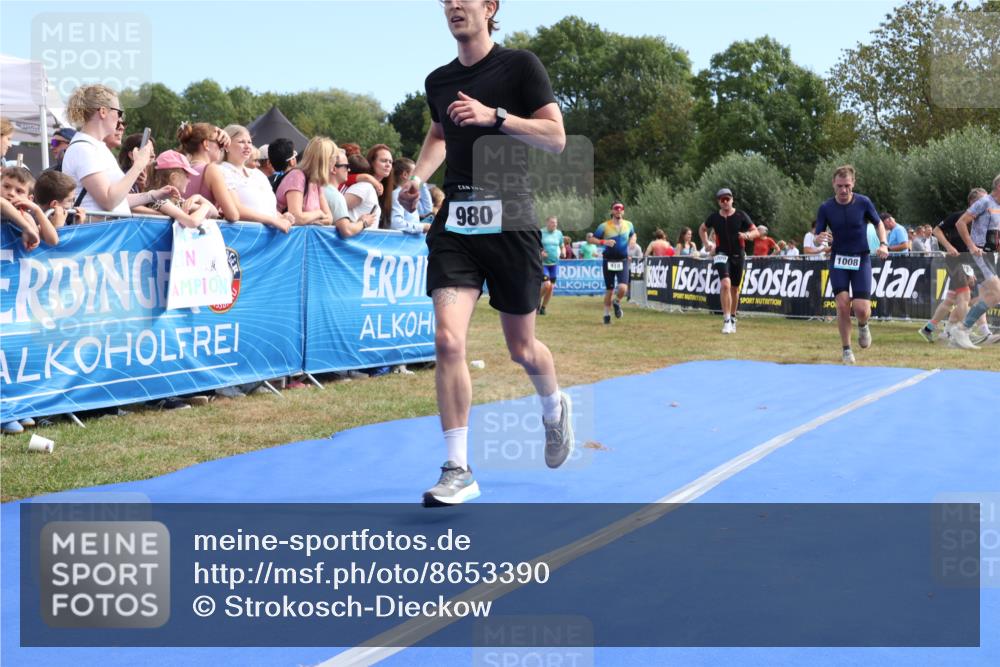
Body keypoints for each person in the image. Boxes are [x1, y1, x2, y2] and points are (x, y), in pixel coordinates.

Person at [397, 0, 572, 506]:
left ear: (490, 7)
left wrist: (494, 116)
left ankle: (553, 407)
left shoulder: (521, 66)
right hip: (457, 223)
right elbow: (439, 133)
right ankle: (458, 467)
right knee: (448, 341)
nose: (453, 6)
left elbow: (557, 138)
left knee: (522, 348)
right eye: (446, 0)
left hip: (511, 217)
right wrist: (417, 179)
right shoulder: (438, 81)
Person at [61, 84, 175, 216]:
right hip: (99, 233)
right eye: (119, 112)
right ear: (103, 112)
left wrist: (152, 195)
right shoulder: (84, 149)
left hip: (106, 231)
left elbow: (118, 199)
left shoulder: (94, 147)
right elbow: (109, 201)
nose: (120, 119)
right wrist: (138, 165)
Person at [815, 165, 889, 364]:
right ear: (833, 184)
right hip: (838, 258)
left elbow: (879, 223)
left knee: (862, 309)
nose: (843, 190)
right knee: (842, 303)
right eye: (839, 186)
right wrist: (818, 239)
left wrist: (883, 244)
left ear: (853, 184)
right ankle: (846, 349)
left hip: (861, 257)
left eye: (847, 185)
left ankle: (863, 325)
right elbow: (817, 236)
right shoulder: (826, 207)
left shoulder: (863, 202)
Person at [919, 188, 988, 345]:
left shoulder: (981, 220)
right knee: (966, 298)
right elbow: (937, 230)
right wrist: (949, 246)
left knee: (953, 300)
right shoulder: (959, 216)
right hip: (955, 261)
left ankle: (931, 329)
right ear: (972, 202)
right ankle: (959, 332)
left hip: (967, 262)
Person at [950, 174, 1000, 349]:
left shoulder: (997, 206)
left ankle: (959, 333)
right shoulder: (984, 202)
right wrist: (971, 246)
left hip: (990, 255)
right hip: (979, 255)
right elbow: (960, 223)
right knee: (996, 293)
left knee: (991, 297)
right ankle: (961, 329)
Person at [699, 187, 757, 334]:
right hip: (721, 253)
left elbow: (755, 231)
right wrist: (706, 244)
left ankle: (732, 317)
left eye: (727, 199)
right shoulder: (714, 217)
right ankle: (726, 321)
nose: (725, 202)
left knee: (735, 288)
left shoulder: (740, 215)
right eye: (722, 200)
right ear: (718, 202)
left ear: (732, 200)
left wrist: (747, 236)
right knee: (725, 284)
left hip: (738, 254)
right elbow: (702, 229)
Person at [219, 125, 293, 232]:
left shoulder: (258, 174)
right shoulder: (221, 170)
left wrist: (281, 217)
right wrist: (273, 220)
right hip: (244, 237)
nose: (247, 146)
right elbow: (235, 209)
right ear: (226, 146)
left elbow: (265, 209)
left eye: (249, 142)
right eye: (241, 142)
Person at [178, 122, 240, 221]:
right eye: (220, 144)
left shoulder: (178, 168)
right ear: (206, 144)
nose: (223, 148)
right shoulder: (211, 170)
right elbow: (233, 215)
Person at [588, 201, 635, 324]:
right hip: (608, 260)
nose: (618, 210)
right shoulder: (604, 226)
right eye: (616, 208)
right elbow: (591, 239)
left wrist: (632, 241)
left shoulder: (629, 225)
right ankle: (606, 315)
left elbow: (633, 234)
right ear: (612, 211)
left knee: (623, 288)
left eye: (621, 208)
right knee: (609, 290)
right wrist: (604, 242)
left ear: (623, 211)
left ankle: (617, 302)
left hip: (623, 260)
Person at [276, 136, 334, 226]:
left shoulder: (315, 181)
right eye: (333, 159)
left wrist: (311, 219)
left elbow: (329, 218)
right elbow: (296, 218)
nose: (334, 165)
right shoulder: (297, 176)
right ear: (325, 161)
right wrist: (318, 214)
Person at [326, 147, 378, 237]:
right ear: (334, 169)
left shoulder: (317, 188)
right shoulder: (336, 196)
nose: (349, 170)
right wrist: (363, 222)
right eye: (346, 166)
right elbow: (347, 230)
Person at [390, 158, 430, 233]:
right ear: (405, 175)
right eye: (415, 172)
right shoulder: (397, 194)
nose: (418, 175)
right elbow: (395, 224)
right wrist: (422, 227)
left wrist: (420, 181)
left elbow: (427, 210)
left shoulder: (410, 194)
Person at [538, 215, 563, 315]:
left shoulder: (559, 233)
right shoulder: (540, 232)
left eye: (556, 223)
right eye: (552, 222)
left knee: (551, 287)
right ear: (547, 223)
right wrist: (540, 252)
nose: (555, 224)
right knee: (547, 285)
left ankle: (543, 308)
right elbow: (534, 246)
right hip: (543, 264)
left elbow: (562, 245)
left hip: (554, 264)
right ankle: (536, 301)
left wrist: (563, 251)